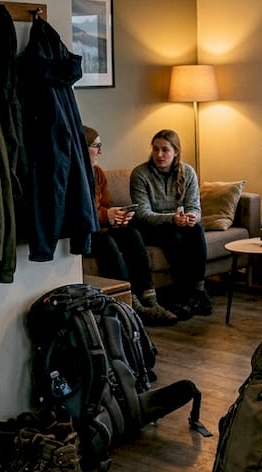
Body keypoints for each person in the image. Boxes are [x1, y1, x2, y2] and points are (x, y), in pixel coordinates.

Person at [83, 126, 177, 325]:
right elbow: (79, 213)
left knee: (132, 234)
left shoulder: (98, 173)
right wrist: (106, 216)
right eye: (96, 146)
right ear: (83, 147)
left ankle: (149, 298)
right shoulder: (72, 176)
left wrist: (116, 217)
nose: (101, 151)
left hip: (101, 225)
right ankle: (130, 303)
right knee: (107, 243)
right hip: (84, 232)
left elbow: (106, 205)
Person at [130, 129, 210, 319]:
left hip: (177, 222)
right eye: (156, 149)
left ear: (176, 152)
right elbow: (142, 213)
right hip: (148, 226)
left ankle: (198, 291)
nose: (159, 155)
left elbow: (195, 207)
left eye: (165, 150)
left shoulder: (188, 172)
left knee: (196, 229)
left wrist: (191, 217)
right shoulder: (140, 174)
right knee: (173, 235)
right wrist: (171, 219)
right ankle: (184, 293)